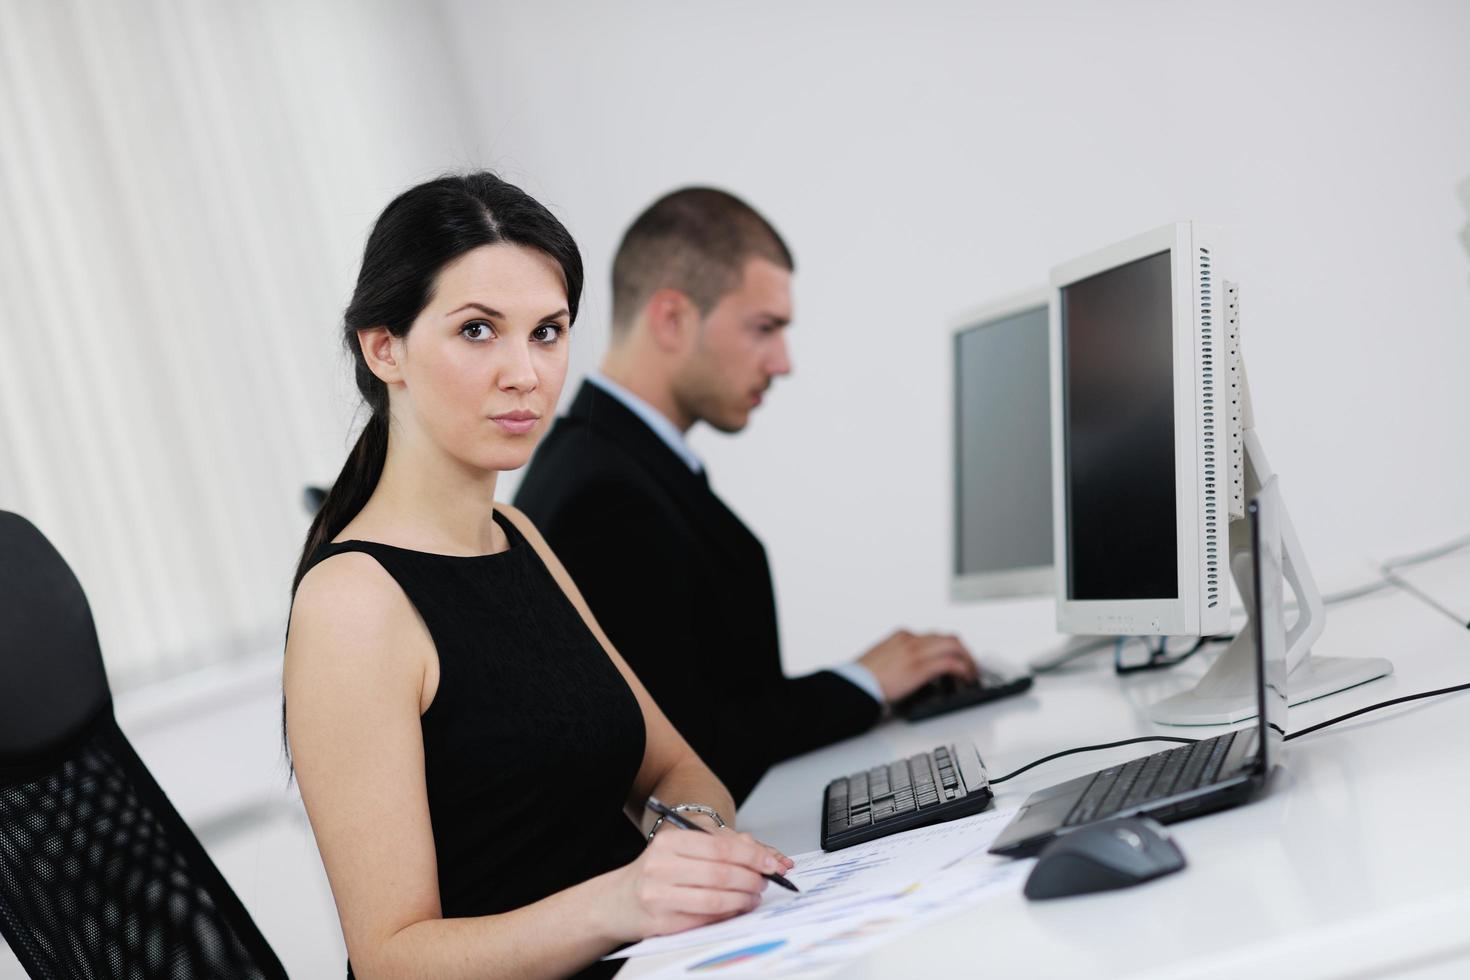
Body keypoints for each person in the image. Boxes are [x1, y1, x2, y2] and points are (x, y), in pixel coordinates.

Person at [283, 173, 793, 980]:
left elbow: (675, 768)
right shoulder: (352, 604)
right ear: (385, 348)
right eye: (479, 331)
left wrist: (686, 843)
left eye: (547, 332)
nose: (525, 372)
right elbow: (392, 959)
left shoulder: (517, 536)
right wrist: (622, 901)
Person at [514, 188, 978, 804]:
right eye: (764, 328)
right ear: (672, 318)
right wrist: (864, 681)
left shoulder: (608, 460)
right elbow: (692, 749)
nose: (782, 362)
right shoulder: (604, 493)